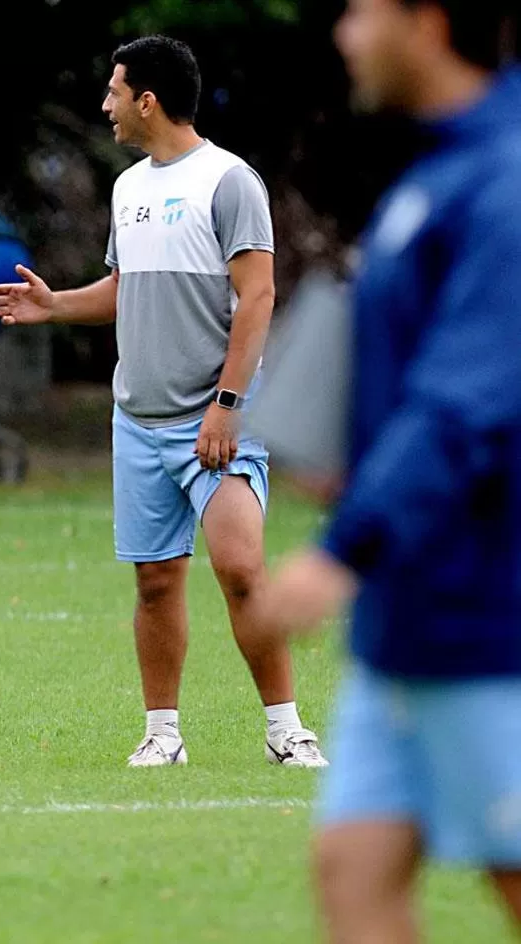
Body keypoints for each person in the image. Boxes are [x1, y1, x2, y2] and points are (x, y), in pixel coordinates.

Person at [0, 35, 326, 769]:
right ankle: (162, 735)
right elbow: (124, 287)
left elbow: (257, 295)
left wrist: (228, 404)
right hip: (137, 421)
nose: (104, 105)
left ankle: (286, 730)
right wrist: (55, 305)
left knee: (240, 569)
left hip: (218, 412)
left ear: (148, 100)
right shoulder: (129, 187)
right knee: (156, 576)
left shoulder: (230, 182)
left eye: (114, 91)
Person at [258, 1, 521, 940]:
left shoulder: (504, 177)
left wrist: (347, 548)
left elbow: (471, 399)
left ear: (429, 20)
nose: (343, 35)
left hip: (489, 614)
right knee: (355, 879)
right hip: (406, 624)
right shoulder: (437, 172)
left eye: (361, 10)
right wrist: (352, 466)